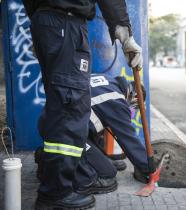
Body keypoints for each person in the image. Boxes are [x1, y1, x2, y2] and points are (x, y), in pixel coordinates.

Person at [22, 0, 143, 209]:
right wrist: (125, 33)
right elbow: (129, 138)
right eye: (135, 103)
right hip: (65, 23)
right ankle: (56, 192)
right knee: (71, 114)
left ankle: (51, 171)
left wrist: (39, 20)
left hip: (47, 22)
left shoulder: (109, 83)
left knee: (65, 108)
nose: (133, 108)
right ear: (131, 95)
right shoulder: (116, 98)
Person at [36, 75, 152, 194]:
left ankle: (52, 155)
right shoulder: (116, 99)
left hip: (54, 124)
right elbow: (129, 139)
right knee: (107, 173)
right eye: (134, 106)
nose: (130, 108)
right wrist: (149, 169)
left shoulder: (107, 81)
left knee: (98, 136)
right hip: (64, 133)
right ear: (135, 97)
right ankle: (50, 165)